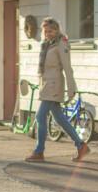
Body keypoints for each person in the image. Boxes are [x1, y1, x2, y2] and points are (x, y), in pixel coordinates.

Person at [25, 17, 90, 163]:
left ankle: (39, 151)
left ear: (57, 30)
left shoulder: (61, 43)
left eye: (51, 30)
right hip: (46, 84)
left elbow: (67, 67)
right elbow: (44, 68)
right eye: (45, 31)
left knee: (40, 116)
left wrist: (71, 88)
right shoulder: (46, 45)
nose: (48, 33)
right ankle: (81, 146)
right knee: (59, 118)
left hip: (54, 85)